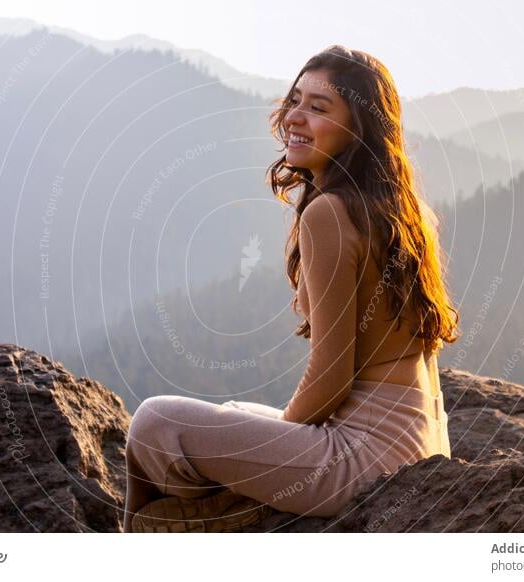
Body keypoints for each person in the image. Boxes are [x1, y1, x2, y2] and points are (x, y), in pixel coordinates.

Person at [122, 45, 460, 533]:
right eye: (294, 100)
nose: (294, 118)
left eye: (318, 108)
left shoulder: (329, 213)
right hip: (421, 444)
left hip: (365, 462)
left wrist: (282, 435)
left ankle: (153, 537)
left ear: (358, 128)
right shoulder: (405, 212)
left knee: (156, 425)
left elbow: (330, 378)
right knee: (234, 412)